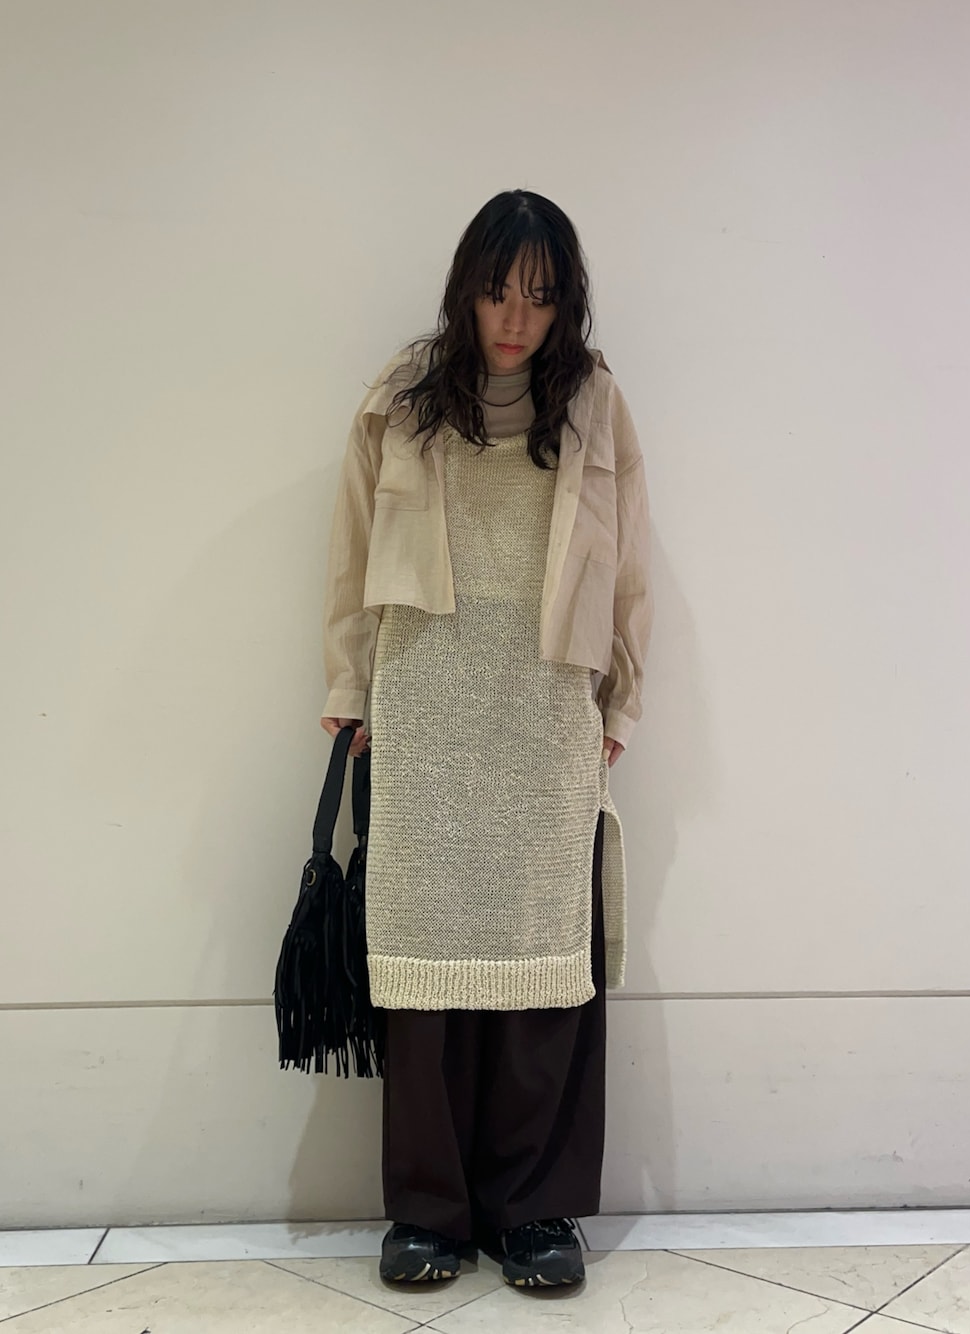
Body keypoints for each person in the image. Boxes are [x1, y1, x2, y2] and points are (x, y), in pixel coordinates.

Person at [319, 189, 653, 1289]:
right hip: (425, 699)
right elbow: (351, 553)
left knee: (542, 954)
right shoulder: (402, 397)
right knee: (424, 956)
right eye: (499, 291)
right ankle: (429, 1210)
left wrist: (621, 699)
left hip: (546, 704)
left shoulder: (594, 401)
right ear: (466, 288)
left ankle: (534, 1210)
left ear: (565, 305)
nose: (516, 319)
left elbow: (631, 560)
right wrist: (348, 685)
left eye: (541, 298)